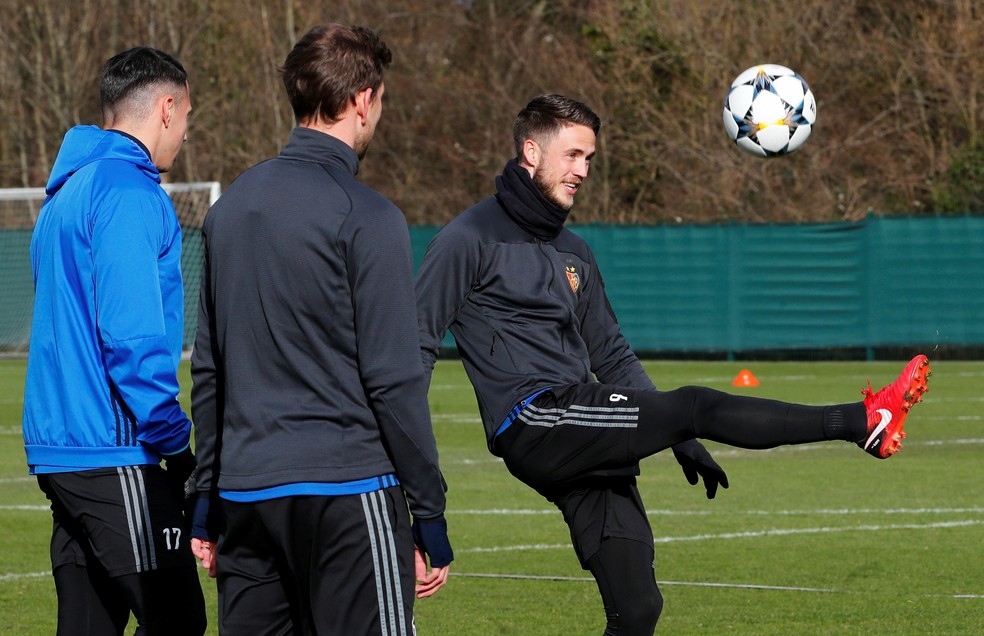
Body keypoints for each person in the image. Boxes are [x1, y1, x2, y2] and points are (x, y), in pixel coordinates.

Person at [415, 93, 931, 635]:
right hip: (535, 419)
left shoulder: (575, 252)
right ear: (531, 151)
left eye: (589, 158)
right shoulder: (466, 240)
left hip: (587, 432)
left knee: (638, 608)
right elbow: (413, 354)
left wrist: (681, 437)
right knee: (698, 403)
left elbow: (611, 353)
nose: (582, 171)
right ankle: (863, 420)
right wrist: (418, 500)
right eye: (572, 156)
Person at [189, 24, 453, 635]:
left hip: (246, 499)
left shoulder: (227, 211)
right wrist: (429, 512)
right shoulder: (369, 216)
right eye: (380, 101)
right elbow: (393, 380)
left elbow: (210, 368)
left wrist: (204, 502)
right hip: (348, 495)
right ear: (363, 99)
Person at [21, 47, 205, 635]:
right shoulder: (127, 191)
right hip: (114, 448)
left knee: (88, 624)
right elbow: (129, 337)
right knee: (177, 619)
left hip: (62, 448)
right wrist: (176, 444)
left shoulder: (63, 196)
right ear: (168, 108)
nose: (185, 134)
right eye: (188, 117)